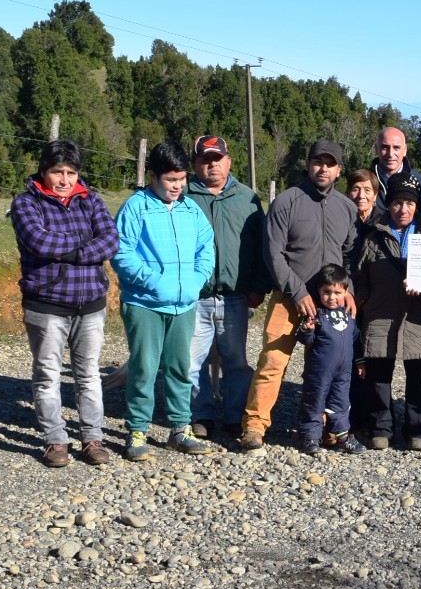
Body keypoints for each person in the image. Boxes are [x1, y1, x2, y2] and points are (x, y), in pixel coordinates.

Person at [240, 139, 358, 452]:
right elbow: (273, 253)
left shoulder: (346, 208)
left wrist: (348, 292)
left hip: (328, 303)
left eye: (330, 164)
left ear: (338, 170)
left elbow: (349, 256)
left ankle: (322, 429)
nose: (323, 168)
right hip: (287, 298)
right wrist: (297, 291)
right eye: (318, 162)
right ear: (308, 164)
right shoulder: (286, 202)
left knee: (325, 370)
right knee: (272, 362)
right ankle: (254, 425)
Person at [11, 140, 119, 467]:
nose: (65, 179)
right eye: (58, 171)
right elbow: (38, 240)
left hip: (91, 304)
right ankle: (55, 439)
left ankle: (92, 437)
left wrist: (71, 253)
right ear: (44, 171)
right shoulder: (26, 203)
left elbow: (111, 239)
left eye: (71, 172)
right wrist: (87, 247)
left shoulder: (92, 200)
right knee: (48, 375)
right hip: (46, 304)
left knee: (87, 374)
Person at [112, 141, 215, 461]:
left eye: (182, 179)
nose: (178, 186)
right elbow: (121, 252)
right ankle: (137, 432)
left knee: (180, 368)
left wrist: (196, 281)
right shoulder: (135, 207)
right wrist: (155, 282)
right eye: (171, 179)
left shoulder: (190, 209)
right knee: (143, 368)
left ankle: (180, 430)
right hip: (144, 303)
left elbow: (206, 249)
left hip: (184, 304)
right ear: (153, 176)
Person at [186, 135, 271, 441]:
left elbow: (262, 245)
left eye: (217, 158)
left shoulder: (246, 197)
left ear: (228, 161)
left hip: (235, 295)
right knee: (193, 361)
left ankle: (235, 415)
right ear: (196, 163)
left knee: (235, 360)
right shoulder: (184, 197)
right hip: (196, 295)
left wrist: (259, 286)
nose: (212, 165)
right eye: (205, 159)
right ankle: (202, 415)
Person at [355, 172, 421, 451]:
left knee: (419, 378)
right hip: (380, 315)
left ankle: (418, 430)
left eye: (409, 203)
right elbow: (359, 275)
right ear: (388, 204)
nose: (402, 209)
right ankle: (381, 427)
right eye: (396, 203)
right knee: (379, 377)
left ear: (417, 205)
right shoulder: (374, 236)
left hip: (420, 317)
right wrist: (364, 303)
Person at [295, 264, 365, 455]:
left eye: (337, 292)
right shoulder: (316, 314)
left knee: (341, 402)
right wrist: (307, 329)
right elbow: (304, 340)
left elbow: (356, 340)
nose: (332, 297)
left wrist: (360, 361)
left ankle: (342, 437)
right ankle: (310, 438)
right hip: (319, 370)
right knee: (314, 401)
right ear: (319, 291)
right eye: (327, 292)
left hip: (344, 370)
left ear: (345, 292)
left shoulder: (349, 316)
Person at [347, 168, 384, 437]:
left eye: (367, 190)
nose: (361, 195)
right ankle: (351, 419)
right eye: (356, 189)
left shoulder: (384, 221)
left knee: (374, 361)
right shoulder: (342, 218)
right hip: (346, 297)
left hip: (377, 299)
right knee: (349, 358)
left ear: (376, 194)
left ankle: (376, 420)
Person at [371, 126, 421, 230]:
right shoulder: (366, 182)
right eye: (384, 147)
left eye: (396, 147)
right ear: (376, 149)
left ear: (404, 150)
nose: (391, 154)